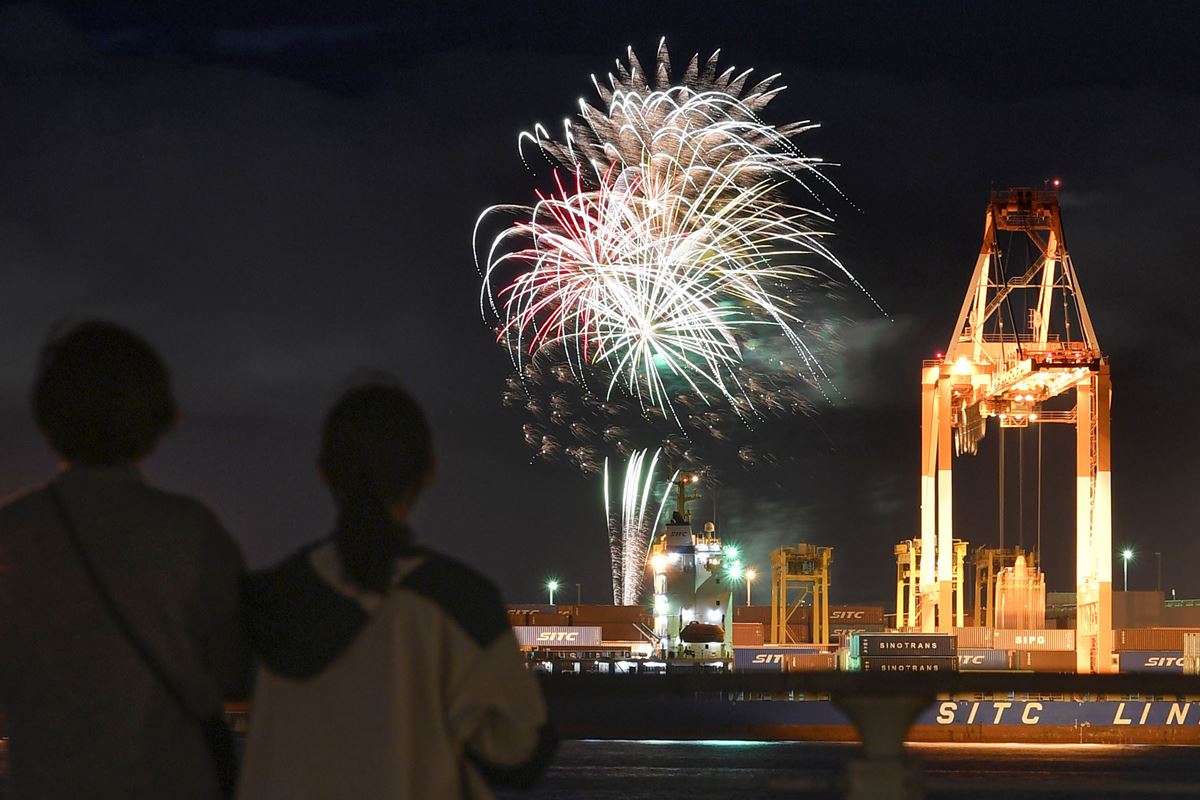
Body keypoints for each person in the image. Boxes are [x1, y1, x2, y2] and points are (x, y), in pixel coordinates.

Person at [238, 382, 555, 799]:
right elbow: (521, 750)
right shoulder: (457, 601)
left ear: (323, 471)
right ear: (429, 472)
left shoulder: (265, 597)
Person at [0, 320, 249, 799]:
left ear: (49, 415)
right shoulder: (191, 531)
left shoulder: (11, 535)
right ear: (155, 418)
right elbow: (234, 670)